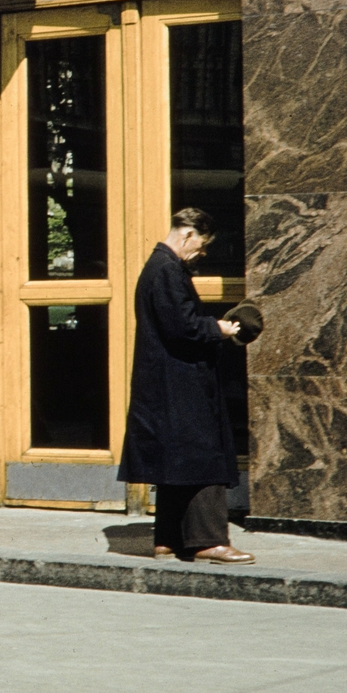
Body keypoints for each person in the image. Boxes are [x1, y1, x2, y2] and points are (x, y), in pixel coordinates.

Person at [117, 208, 255, 565]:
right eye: (202, 245)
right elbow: (183, 327)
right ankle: (208, 540)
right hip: (181, 380)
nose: (202, 253)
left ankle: (168, 539)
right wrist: (219, 329)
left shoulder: (158, 267)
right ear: (188, 234)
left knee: (175, 460)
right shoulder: (166, 269)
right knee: (203, 456)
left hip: (165, 380)